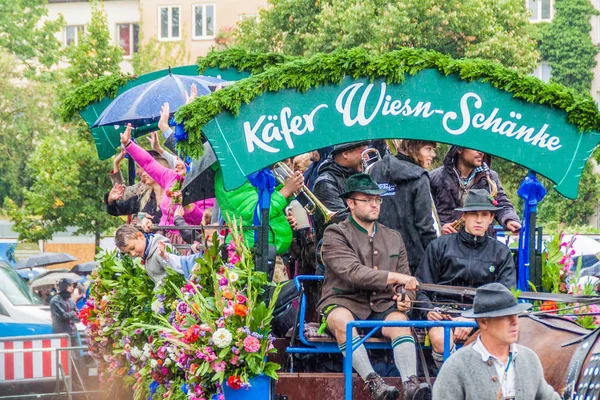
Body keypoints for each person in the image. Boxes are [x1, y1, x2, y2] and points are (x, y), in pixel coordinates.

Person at [319, 173, 431, 400]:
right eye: (367, 199)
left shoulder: (393, 237)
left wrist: (405, 296)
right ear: (350, 203)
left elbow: (406, 280)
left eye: (377, 199)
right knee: (343, 321)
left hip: (382, 305)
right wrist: (395, 278)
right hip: (344, 301)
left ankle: (410, 383)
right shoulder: (335, 233)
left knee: (400, 321)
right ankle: (373, 382)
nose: (374, 204)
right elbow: (353, 273)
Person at [415, 189, 516, 369]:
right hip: (442, 315)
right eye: (474, 214)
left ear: (491, 218)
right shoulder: (439, 246)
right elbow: (421, 288)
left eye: (484, 215)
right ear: (464, 216)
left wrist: (473, 319)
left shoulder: (501, 252)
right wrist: (429, 311)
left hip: (484, 318)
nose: (479, 220)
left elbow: (505, 296)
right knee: (440, 338)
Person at [433, 283, 560, 400]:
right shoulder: (456, 366)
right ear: (483, 322)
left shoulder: (529, 359)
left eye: (516, 315)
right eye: (506, 316)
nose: (515, 322)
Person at [120, 124, 214, 247]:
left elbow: (208, 221)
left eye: (183, 160)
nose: (177, 163)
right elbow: (148, 163)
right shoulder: (171, 177)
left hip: (187, 244)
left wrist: (190, 207)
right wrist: (129, 145)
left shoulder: (205, 184)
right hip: (163, 239)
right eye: (177, 158)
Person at [369, 139, 438, 274]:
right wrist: (435, 255)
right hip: (412, 258)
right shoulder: (420, 177)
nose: (433, 155)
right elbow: (425, 226)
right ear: (413, 149)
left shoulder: (375, 169)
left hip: (377, 255)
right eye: (428, 149)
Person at [429, 146, 521, 236]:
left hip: (482, 244)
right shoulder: (435, 177)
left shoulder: (490, 177)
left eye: (482, 147)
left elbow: (502, 203)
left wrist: (509, 219)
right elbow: (425, 214)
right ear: (459, 149)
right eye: (475, 147)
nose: (481, 152)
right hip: (447, 243)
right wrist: (440, 228)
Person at [313, 141, 368, 241]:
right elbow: (340, 221)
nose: (367, 158)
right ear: (346, 154)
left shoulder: (361, 175)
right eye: (363, 153)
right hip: (339, 247)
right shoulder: (325, 182)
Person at [114, 224, 185, 283]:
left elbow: (177, 276)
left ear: (140, 236)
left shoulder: (161, 250)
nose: (132, 254)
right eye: (128, 253)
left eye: (132, 248)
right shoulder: (147, 254)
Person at [49, 278, 79, 342]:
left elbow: (78, 316)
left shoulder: (71, 301)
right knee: (64, 352)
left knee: (77, 352)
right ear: (64, 286)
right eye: (70, 286)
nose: (72, 288)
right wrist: (73, 313)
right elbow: (63, 316)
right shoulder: (55, 301)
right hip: (62, 334)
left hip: (73, 333)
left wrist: (72, 314)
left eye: (73, 286)